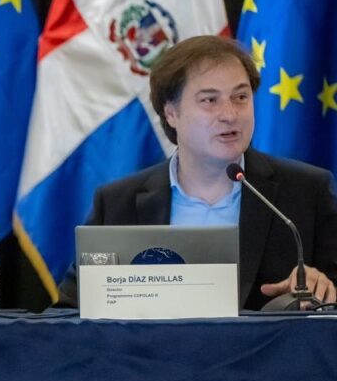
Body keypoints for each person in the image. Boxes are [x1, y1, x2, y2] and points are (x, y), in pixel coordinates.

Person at [58, 35, 337, 309]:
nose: (229, 114)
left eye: (240, 97)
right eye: (209, 100)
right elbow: (69, 314)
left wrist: (321, 288)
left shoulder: (306, 193)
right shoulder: (117, 204)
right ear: (171, 113)